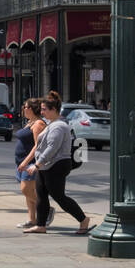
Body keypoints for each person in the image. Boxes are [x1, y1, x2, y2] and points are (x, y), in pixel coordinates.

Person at [24, 91, 91, 235]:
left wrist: (37, 164)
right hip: (47, 166)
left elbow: (52, 148)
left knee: (59, 196)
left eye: (44, 109)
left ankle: (83, 220)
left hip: (57, 165)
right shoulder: (51, 124)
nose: (41, 112)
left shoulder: (59, 126)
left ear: (54, 110)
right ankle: (40, 225)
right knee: (41, 195)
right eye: (41, 109)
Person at [13, 98, 50, 229]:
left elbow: (37, 146)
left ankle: (46, 209)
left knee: (26, 190)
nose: (23, 109)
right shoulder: (30, 123)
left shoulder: (38, 124)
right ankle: (32, 220)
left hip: (31, 163)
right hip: (22, 162)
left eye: (26, 107)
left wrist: (25, 161)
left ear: (32, 109)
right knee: (28, 194)